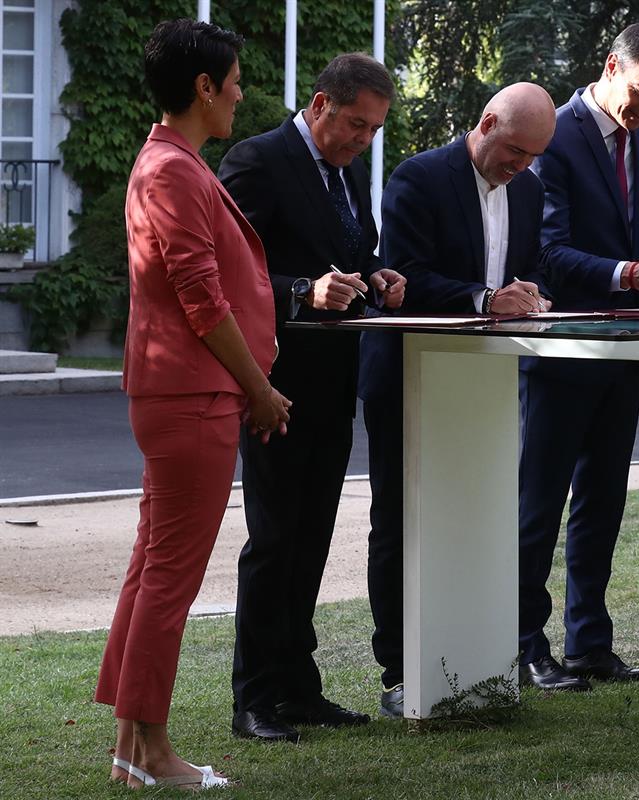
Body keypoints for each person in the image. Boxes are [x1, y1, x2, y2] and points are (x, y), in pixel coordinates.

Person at [96, 18, 289, 788]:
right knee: (169, 578)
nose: (241, 92)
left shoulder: (169, 162)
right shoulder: (172, 168)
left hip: (180, 394)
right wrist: (262, 390)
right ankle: (151, 751)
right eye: (234, 79)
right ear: (203, 88)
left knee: (153, 570)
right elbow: (203, 303)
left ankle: (128, 746)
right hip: (191, 397)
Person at [219, 53, 405, 742]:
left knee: (311, 538)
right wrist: (302, 290)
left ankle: (298, 687)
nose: (363, 140)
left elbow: (353, 251)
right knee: (272, 540)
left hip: (334, 381)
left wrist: (376, 275)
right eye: (355, 124)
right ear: (321, 105)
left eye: (374, 131)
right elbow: (223, 271)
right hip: (273, 379)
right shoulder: (256, 160)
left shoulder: (350, 172)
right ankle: (255, 698)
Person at [357, 82, 556, 717]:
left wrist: (531, 297)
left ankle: (475, 656)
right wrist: (483, 299)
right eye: (514, 151)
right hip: (411, 377)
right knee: (401, 520)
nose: (520, 166)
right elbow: (405, 276)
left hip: (486, 382)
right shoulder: (419, 177)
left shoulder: (529, 189)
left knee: (480, 515)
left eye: (532, 157)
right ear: (486, 121)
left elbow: (527, 269)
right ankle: (400, 670)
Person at [521, 21, 639, 691]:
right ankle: (525, 643)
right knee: (539, 503)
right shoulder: (552, 135)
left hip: (625, 348)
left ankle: (590, 641)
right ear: (612, 66)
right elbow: (544, 250)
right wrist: (627, 273)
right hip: (561, 347)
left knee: (603, 501)